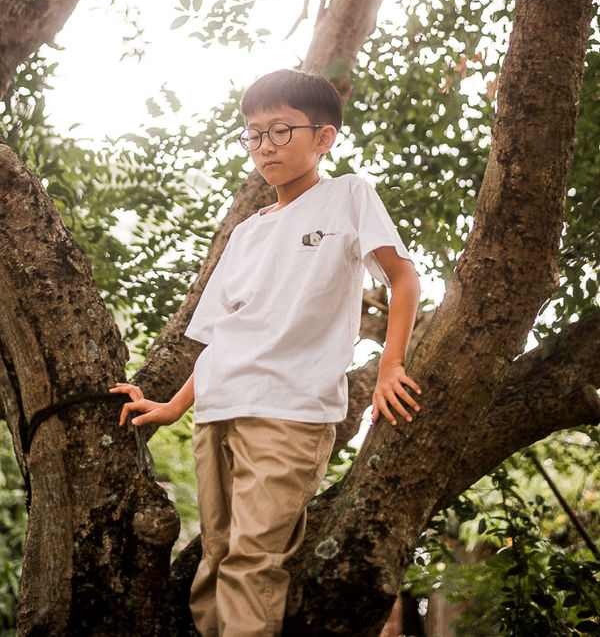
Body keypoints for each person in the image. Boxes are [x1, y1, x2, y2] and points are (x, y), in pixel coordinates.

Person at [111, 69, 421, 637]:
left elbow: (404, 279)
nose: (264, 147)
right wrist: (174, 407)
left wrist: (390, 366)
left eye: (280, 131)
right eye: (253, 134)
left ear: (324, 138)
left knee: (254, 562)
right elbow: (223, 336)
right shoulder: (247, 232)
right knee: (216, 559)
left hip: (290, 411)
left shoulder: (349, 195)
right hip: (219, 410)